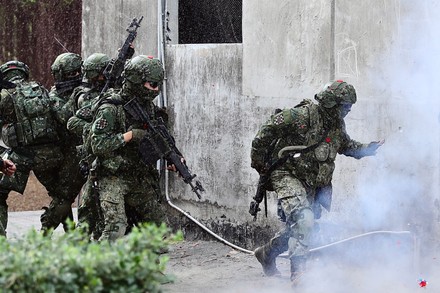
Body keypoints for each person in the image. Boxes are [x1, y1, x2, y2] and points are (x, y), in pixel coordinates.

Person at [250, 80, 383, 282]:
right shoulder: (301, 116)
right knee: (304, 219)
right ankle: (298, 274)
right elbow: (266, 131)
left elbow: (345, 145)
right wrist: (260, 163)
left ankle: (267, 253)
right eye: (345, 106)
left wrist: (367, 149)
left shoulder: (336, 124)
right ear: (331, 104)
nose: (348, 110)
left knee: (303, 226)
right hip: (287, 174)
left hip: (312, 183)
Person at [88, 55, 170, 241]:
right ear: (135, 82)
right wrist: (129, 136)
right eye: (151, 84)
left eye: (158, 84)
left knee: (159, 229)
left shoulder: (148, 108)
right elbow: (97, 144)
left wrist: (172, 158)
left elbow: (160, 137)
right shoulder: (111, 108)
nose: (156, 90)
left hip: (138, 175)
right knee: (115, 229)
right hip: (112, 175)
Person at [0, 60, 65, 236]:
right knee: (61, 196)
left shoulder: (4, 95)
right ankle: (73, 234)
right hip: (49, 154)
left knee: (0, 194)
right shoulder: (40, 90)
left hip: (20, 155)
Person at [66, 52, 111, 239]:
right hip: (93, 154)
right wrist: (95, 130)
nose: (106, 75)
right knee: (90, 201)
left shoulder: (109, 92)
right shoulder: (87, 97)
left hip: (109, 153)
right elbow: (72, 123)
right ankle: (82, 238)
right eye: (103, 72)